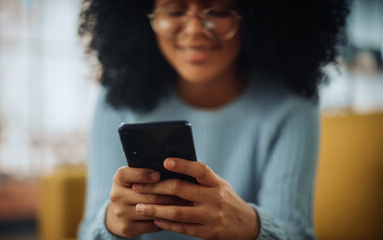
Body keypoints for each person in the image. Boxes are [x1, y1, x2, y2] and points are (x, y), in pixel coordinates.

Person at [78, 0, 348, 239]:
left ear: (251, 15)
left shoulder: (292, 105)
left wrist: (250, 227)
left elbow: (298, 234)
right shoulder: (116, 98)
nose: (195, 29)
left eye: (218, 11)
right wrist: (112, 224)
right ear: (146, 16)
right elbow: (88, 232)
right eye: (174, 10)